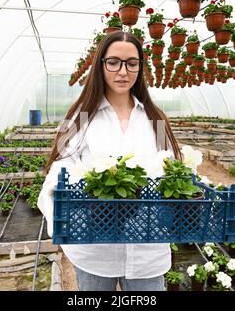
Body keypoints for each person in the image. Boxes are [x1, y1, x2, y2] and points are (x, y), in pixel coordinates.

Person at [37, 31, 182, 291]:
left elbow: (170, 167)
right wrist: (57, 212)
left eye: (132, 63)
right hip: (94, 250)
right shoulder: (81, 118)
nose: (123, 72)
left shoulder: (155, 119)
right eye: (113, 62)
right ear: (101, 65)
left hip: (148, 250)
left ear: (140, 67)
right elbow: (60, 167)